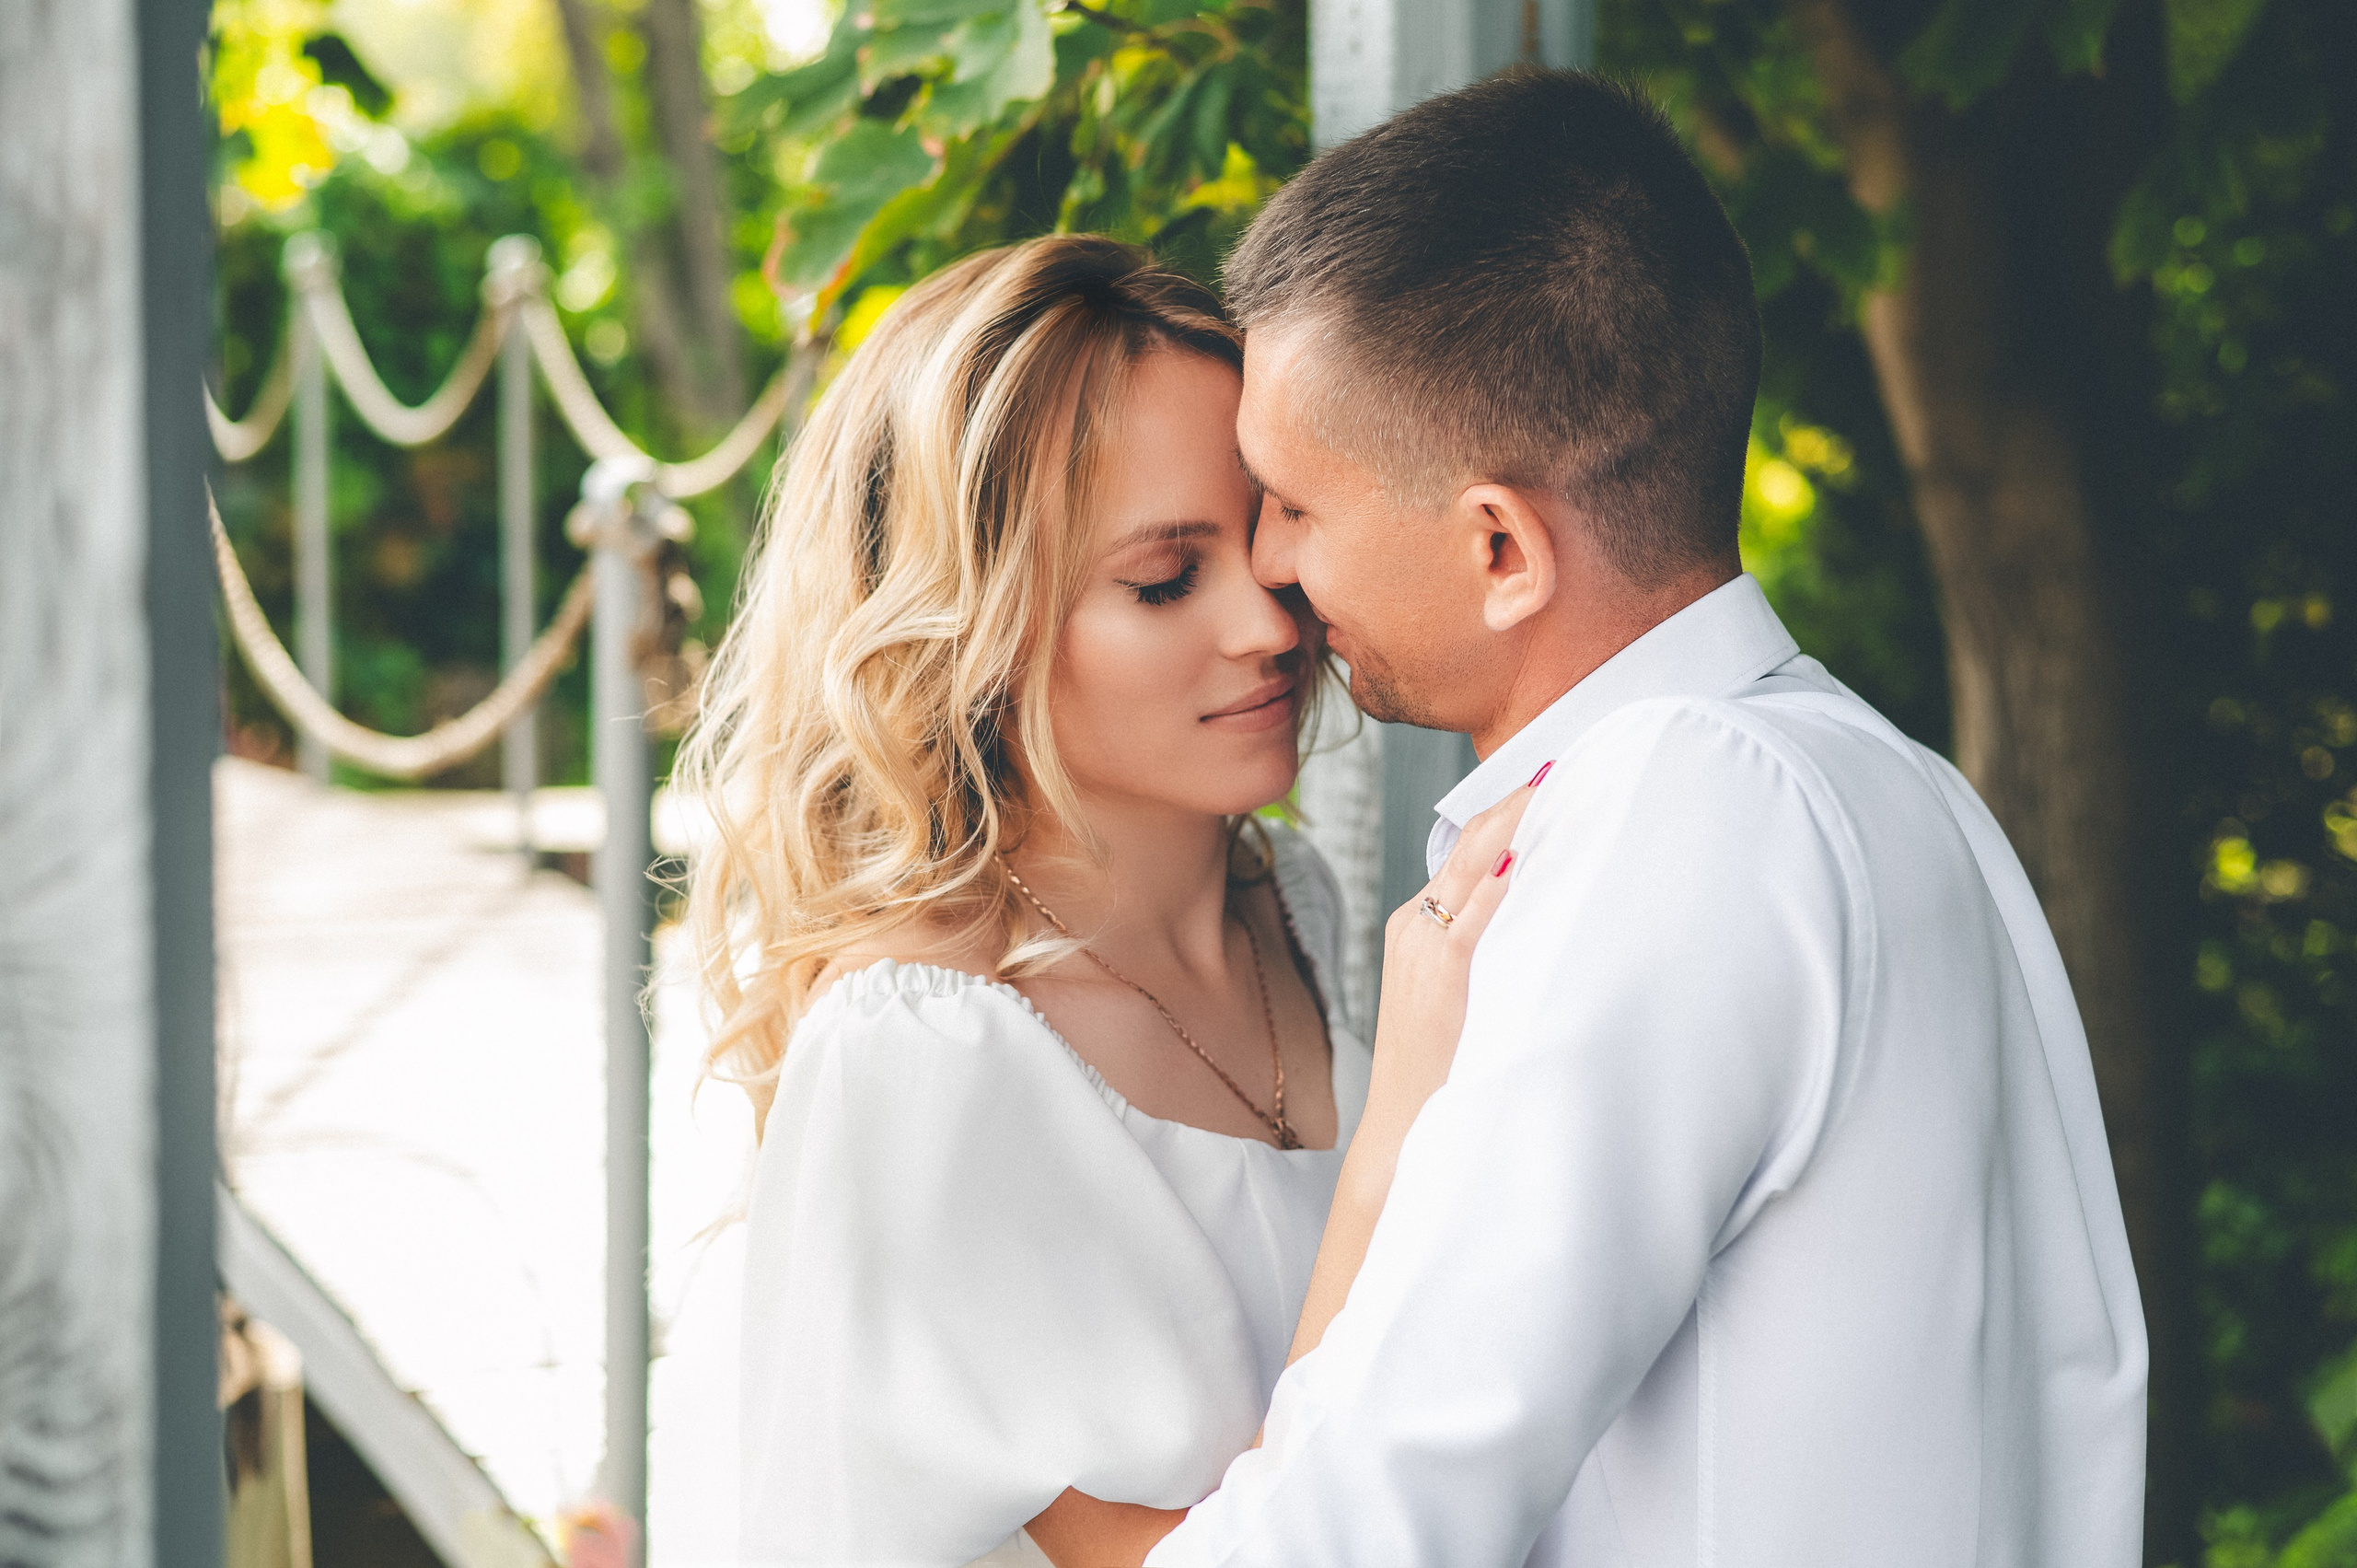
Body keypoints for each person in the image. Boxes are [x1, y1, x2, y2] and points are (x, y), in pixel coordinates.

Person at [1048, 68, 2153, 1568]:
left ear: (1501, 546)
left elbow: (1393, 1498)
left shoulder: (1693, 818)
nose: (1272, 560)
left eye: (1295, 502)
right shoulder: (1900, 792)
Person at [673, 234, 1528, 1568]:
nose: (1271, 622)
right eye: (1163, 580)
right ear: (979, 626)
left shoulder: (1287, 899)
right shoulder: (927, 1045)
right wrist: (1414, 1099)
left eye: (1272, 533)